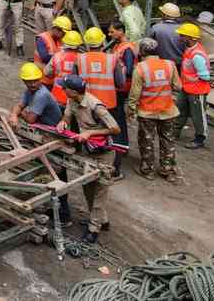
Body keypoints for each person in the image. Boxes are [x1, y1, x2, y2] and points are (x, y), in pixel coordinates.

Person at [57, 75, 121, 243]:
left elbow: (115, 128)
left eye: (64, 88)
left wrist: (91, 132)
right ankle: (102, 220)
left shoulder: (95, 106)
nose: (62, 89)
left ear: (72, 90)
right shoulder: (72, 101)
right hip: (88, 151)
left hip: (103, 153)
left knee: (100, 190)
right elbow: (67, 116)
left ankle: (94, 229)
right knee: (88, 187)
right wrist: (63, 122)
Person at [9, 62, 73, 226]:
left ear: (40, 78)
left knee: (57, 174)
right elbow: (19, 106)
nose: (32, 84)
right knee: (46, 172)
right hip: (43, 137)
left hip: (54, 139)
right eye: (28, 81)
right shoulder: (30, 91)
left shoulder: (41, 94)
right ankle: (51, 207)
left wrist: (19, 113)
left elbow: (30, 119)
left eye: (35, 80)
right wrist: (15, 115)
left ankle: (64, 215)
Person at [128, 38, 184, 182]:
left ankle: (148, 170)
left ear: (141, 51)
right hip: (168, 110)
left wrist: (131, 110)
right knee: (168, 140)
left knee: (147, 140)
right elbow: (178, 87)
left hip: (147, 112)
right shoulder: (170, 65)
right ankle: (167, 170)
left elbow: (134, 94)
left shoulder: (140, 68)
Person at [108, 20, 137, 177]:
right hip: (117, 87)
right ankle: (122, 146)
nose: (110, 34)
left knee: (118, 117)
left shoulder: (127, 49)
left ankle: (122, 146)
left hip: (122, 88)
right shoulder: (118, 45)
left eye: (112, 32)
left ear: (121, 31)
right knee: (117, 116)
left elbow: (129, 70)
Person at [176, 22, 212, 149]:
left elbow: (205, 76)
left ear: (190, 38)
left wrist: (192, 79)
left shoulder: (196, 55)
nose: (180, 37)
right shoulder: (190, 49)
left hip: (197, 90)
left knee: (198, 116)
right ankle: (174, 133)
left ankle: (200, 138)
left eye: (182, 35)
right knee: (180, 110)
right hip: (187, 88)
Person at [43, 29, 82, 105]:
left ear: (64, 43)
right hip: (74, 99)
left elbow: (46, 72)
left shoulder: (57, 56)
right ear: (79, 45)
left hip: (57, 97)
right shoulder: (81, 58)